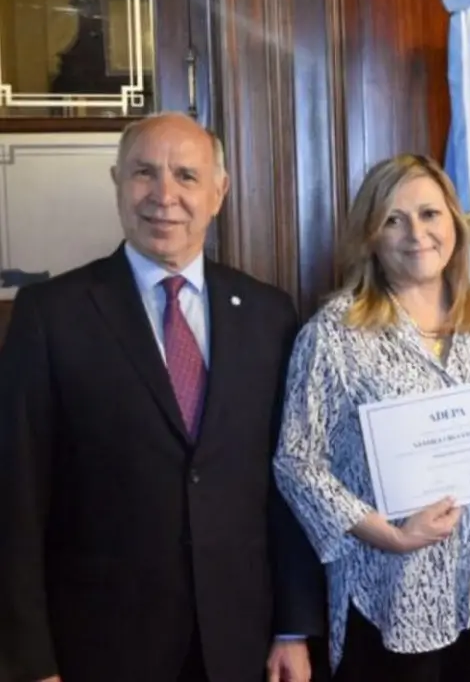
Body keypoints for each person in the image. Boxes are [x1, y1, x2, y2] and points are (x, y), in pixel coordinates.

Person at [0, 113, 324, 682]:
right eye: (144, 173)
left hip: (240, 640)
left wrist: (292, 627)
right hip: (99, 645)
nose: (164, 195)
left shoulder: (269, 314)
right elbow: (16, 495)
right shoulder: (50, 315)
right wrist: (30, 661)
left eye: (186, 176)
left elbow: (289, 482)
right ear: (117, 183)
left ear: (219, 192)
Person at [273, 154, 470, 681]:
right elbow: (296, 463)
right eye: (394, 219)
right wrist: (386, 533)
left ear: (454, 221)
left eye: (429, 214)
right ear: (371, 235)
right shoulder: (335, 332)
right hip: (388, 593)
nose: (416, 234)